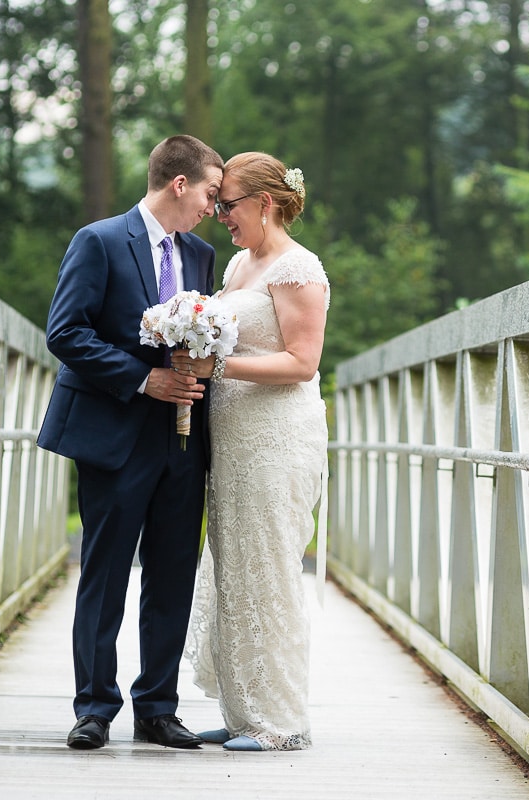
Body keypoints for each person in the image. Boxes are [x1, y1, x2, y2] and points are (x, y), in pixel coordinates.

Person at [37, 135, 223, 751]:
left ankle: (157, 708)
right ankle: (94, 707)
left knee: (172, 574)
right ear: (179, 184)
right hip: (115, 432)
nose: (212, 207)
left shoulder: (199, 254)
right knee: (106, 574)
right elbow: (65, 332)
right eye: (208, 193)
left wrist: (197, 365)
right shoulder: (98, 241)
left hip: (182, 438)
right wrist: (145, 379)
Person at [172, 152, 329, 752]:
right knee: (235, 567)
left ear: (265, 204)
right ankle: (244, 712)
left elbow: (302, 362)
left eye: (230, 204)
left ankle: (284, 722)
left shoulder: (298, 268)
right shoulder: (240, 263)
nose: (220, 215)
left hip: (277, 438)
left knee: (271, 570)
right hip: (233, 441)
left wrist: (217, 366)